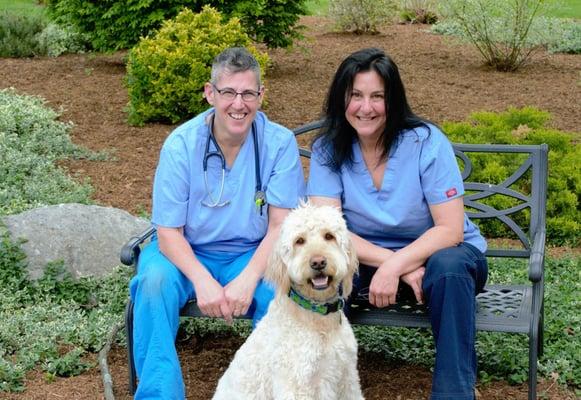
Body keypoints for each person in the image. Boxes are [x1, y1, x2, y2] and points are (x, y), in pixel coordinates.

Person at [307, 47, 488, 400]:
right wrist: (394, 265)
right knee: (323, 273)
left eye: (378, 96)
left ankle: (455, 393)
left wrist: (400, 264)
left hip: (439, 256)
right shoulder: (328, 150)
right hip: (370, 261)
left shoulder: (426, 142)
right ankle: (316, 385)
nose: (366, 107)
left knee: (449, 268)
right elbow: (328, 231)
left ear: (394, 100)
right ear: (341, 99)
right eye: (355, 95)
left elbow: (450, 231)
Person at [129, 47, 305, 399]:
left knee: (280, 293)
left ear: (261, 96)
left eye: (248, 93)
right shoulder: (181, 145)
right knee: (152, 285)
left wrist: (248, 279)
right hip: (185, 252)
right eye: (228, 93)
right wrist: (202, 280)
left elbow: (281, 228)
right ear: (210, 93)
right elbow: (168, 233)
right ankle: (159, 394)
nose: (238, 104)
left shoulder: (279, 143)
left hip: (253, 252)